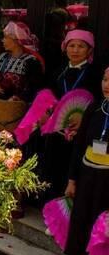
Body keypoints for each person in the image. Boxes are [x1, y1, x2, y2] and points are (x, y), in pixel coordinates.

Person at [39, 29, 103, 202]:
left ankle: (71, 217)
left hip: (81, 133)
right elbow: (48, 96)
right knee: (54, 171)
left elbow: (101, 100)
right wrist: (46, 113)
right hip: (57, 131)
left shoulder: (96, 74)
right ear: (65, 48)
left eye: (81, 46)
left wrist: (84, 117)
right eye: (71, 45)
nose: (75, 50)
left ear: (90, 50)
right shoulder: (59, 72)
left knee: (73, 174)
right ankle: (53, 214)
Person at [64, 66, 109, 255]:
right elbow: (79, 144)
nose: (106, 84)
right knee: (83, 226)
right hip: (87, 175)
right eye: (104, 79)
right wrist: (72, 180)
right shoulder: (94, 108)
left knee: (104, 232)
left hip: (108, 182)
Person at [0, 21, 44, 103]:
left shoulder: (31, 62)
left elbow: (33, 88)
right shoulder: (2, 57)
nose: (3, 40)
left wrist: (17, 98)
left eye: (6, 38)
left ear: (17, 41)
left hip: (18, 109)